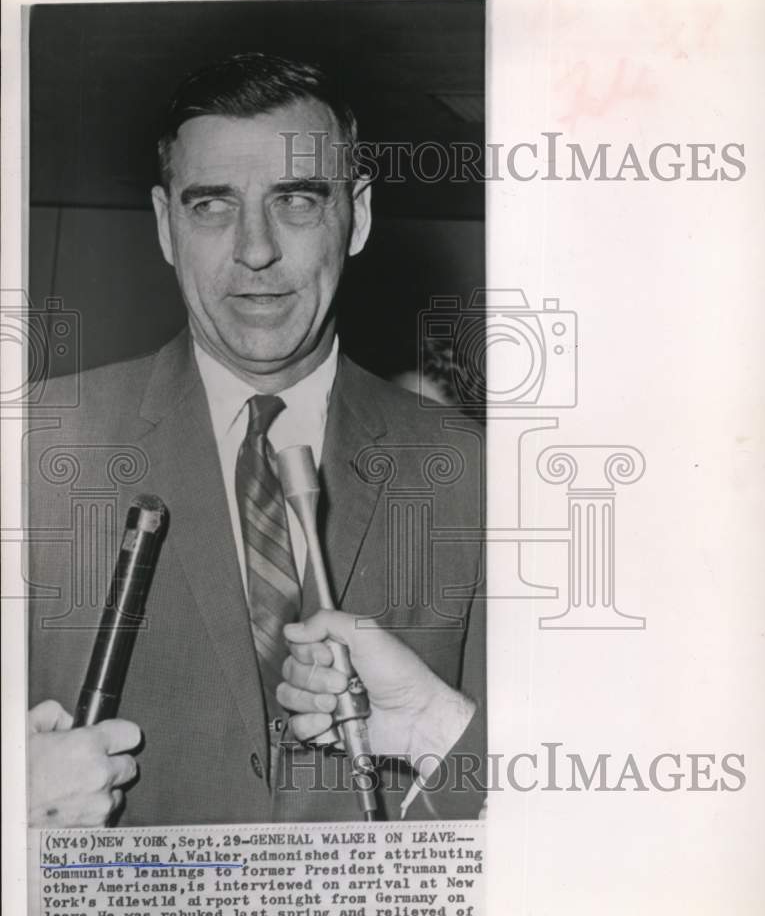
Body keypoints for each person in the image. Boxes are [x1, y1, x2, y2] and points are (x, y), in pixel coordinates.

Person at [27, 53, 486, 826]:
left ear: (359, 214)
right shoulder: (32, 447)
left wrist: (447, 736)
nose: (256, 249)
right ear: (166, 224)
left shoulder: (478, 474)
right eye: (211, 205)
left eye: (298, 201)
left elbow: (562, 833)